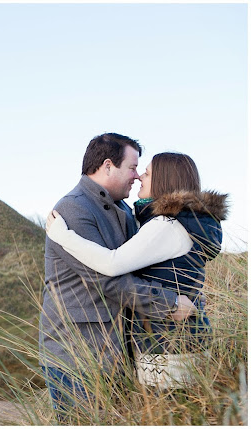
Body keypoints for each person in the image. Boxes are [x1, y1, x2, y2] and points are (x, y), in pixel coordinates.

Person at [38, 134, 197, 417]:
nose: (137, 176)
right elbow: (106, 280)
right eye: (132, 167)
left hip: (117, 352)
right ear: (108, 166)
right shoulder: (73, 210)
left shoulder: (123, 209)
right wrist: (170, 304)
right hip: (76, 355)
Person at [46, 152, 227, 389]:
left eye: (147, 172)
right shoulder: (187, 222)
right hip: (181, 335)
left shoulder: (167, 225)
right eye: (136, 168)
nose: (140, 176)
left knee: (167, 414)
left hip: (167, 340)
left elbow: (111, 264)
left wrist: (63, 236)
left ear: (164, 180)